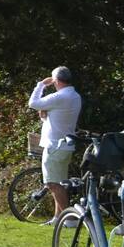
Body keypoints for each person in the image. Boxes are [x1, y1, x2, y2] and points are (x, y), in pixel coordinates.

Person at [28, 66, 82, 224]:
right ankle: (58, 218)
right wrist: (45, 117)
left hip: (55, 147)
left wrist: (41, 85)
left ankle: (69, 218)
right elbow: (58, 120)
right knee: (59, 183)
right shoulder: (75, 96)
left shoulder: (60, 96)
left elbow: (33, 103)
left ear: (56, 81)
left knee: (52, 184)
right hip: (65, 146)